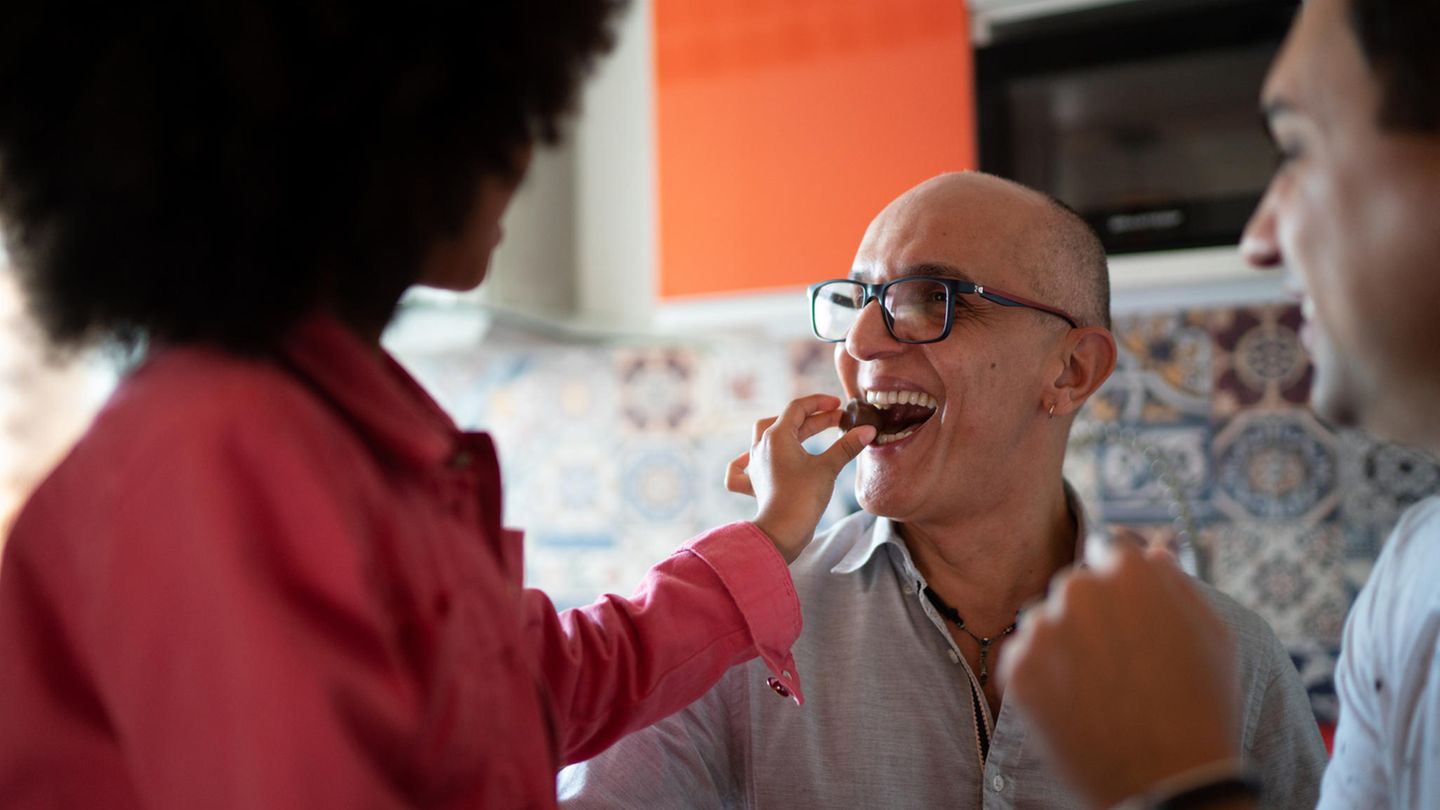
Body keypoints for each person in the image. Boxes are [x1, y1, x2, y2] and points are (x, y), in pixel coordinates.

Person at [0, 3, 875, 807]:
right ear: (372, 134)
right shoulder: (218, 449)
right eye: (496, 115)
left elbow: (544, 688)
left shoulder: (340, 426)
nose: (524, 154)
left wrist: (770, 534)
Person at [557, 172, 1327, 808]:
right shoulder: (733, 641)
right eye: (860, 300)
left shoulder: (1233, 663)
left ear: (1071, 372)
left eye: (933, 300)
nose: (859, 342)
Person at [999, 0, 1440, 807]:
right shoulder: (1415, 571)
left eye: (1297, 148)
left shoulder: (1242, 648)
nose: (1259, 236)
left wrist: (1178, 787)